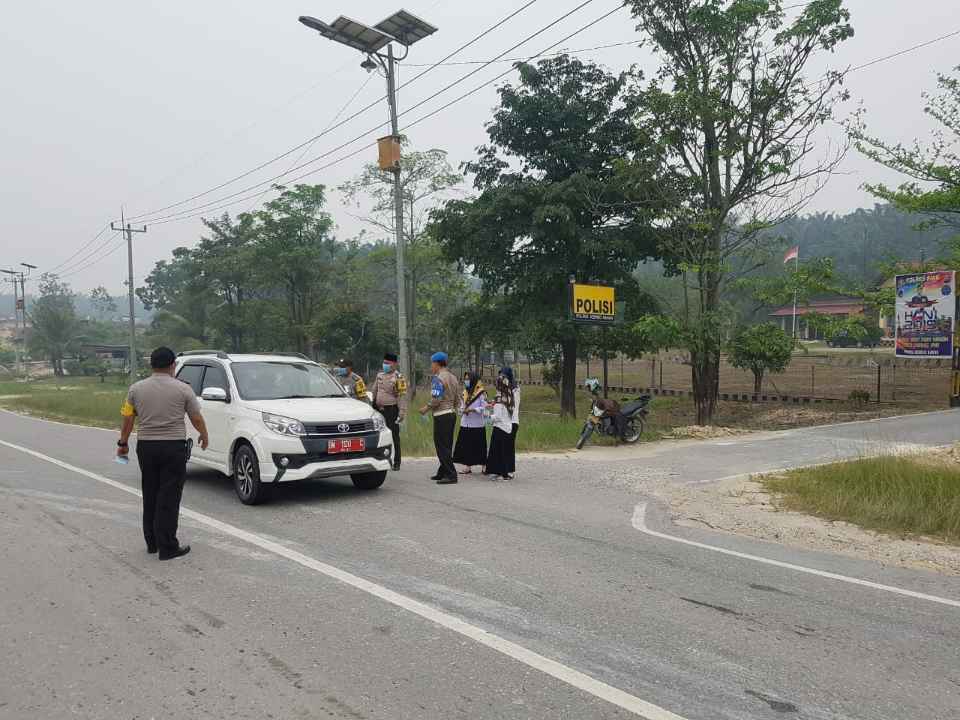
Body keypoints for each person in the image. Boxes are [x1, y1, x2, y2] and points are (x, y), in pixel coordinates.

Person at [117, 347, 209, 561]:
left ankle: (152, 543)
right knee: (169, 496)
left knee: (150, 492)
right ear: (172, 365)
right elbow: (196, 417)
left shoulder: (135, 389)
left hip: (146, 447)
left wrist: (122, 443)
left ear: (152, 365)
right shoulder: (183, 389)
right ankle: (168, 546)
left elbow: (128, 419)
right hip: (172, 447)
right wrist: (204, 434)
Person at [419, 352, 460, 484]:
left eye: (432, 363)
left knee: (441, 446)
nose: (431, 366)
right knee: (447, 445)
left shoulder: (438, 379)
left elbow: (436, 399)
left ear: (437, 363)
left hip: (441, 415)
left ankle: (451, 474)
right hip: (451, 413)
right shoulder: (453, 377)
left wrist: (426, 408)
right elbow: (457, 398)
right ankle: (442, 471)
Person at [372, 352, 408, 471]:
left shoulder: (398, 377)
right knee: (379, 435)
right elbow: (374, 390)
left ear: (394, 364)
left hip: (391, 410)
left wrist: (402, 412)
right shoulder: (380, 376)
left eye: (387, 363)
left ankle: (397, 461)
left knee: (394, 436)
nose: (385, 365)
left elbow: (402, 396)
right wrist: (373, 404)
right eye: (384, 363)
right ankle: (381, 458)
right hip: (379, 410)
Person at [453, 371, 487, 474]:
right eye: (465, 379)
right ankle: (467, 466)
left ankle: (484, 466)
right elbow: (461, 407)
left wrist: (473, 410)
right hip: (466, 423)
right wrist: (462, 411)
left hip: (477, 424)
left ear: (473, 379)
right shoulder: (465, 392)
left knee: (479, 446)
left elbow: (485, 408)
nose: (466, 381)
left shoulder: (481, 392)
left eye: (468, 379)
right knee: (466, 446)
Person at [484, 375, 516, 481]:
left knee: (497, 452)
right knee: (504, 452)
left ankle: (500, 474)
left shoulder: (499, 398)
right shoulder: (510, 396)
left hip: (499, 428)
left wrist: (488, 417)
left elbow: (497, 416)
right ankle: (504, 473)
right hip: (508, 427)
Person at [499, 367, 520, 478]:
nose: (502, 379)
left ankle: (509, 471)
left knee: (509, 447)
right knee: (503, 447)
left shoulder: (515, 390)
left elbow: (512, 405)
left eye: (504, 377)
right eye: (501, 376)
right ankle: (503, 470)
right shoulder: (502, 390)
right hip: (503, 422)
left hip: (512, 422)